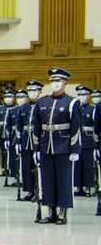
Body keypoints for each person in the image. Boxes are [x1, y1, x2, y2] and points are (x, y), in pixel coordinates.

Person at [31, 68, 81, 224]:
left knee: (63, 180)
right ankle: (50, 211)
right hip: (46, 146)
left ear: (65, 82)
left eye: (58, 81)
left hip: (63, 147)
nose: (55, 84)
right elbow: (36, 126)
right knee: (48, 180)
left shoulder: (72, 102)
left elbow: (76, 127)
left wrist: (75, 149)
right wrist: (36, 148)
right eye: (52, 81)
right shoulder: (42, 102)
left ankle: (62, 211)